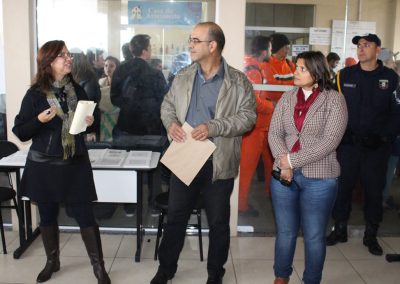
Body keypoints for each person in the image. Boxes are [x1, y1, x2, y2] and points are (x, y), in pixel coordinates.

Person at [150, 22, 256, 284]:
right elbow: (167, 106)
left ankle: (214, 274)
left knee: (219, 223)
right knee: (175, 218)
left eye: (196, 40)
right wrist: (171, 124)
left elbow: (248, 118)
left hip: (218, 163)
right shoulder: (183, 75)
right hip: (185, 158)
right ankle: (165, 271)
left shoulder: (238, 81)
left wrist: (214, 127)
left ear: (213, 45)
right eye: (190, 40)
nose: (190, 45)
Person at [12, 40, 111, 284]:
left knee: (86, 216)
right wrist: (39, 120)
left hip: (74, 162)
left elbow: (93, 118)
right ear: (48, 63)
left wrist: (90, 122)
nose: (69, 58)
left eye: (68, 54)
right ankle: (52, 262)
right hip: (44, 165)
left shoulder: (77, 90)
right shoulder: (34, 95)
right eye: (62, 56)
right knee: (47, 215)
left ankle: (99, 268)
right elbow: (21, 132)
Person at [268, 51, 348, 284]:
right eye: (296, 67)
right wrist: (284, 162)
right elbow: (275, 133)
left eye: (302, 68)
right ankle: (281, 276)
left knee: (313, 236)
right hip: (283, 176)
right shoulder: (287, 98)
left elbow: (330, 141)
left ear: (317, 71)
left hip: (320, 178)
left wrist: (291, 161)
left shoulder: (334, 100)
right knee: (285, 232)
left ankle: (311, 280)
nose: (296, 72)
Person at [326, 33, 400, 256]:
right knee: (342, 189)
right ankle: (339, 229)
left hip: (376, 148)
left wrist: (384, 137)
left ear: (378, 49)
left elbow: (397, 112)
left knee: (373, 191)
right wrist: (339, 134)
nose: (361, 49)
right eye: (359, 45)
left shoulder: (392, 79)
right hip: (348, 146)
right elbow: (331, 107)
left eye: (367, 45)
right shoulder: (343, 76)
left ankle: (371, 234)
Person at [111, 34, 169, 215]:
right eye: (150, 47)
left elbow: (114, 98)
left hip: (126, 126)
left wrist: (129, 106)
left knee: (128, 167)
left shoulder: (120, 70)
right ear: (145, 51)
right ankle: (154, 205)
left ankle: (130, 206)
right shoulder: (155, 73)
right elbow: (164, 101)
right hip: (150, 128)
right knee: (153, 169)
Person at [239, 35, 274, 216]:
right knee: (246, 171)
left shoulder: (249, 65)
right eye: (269, 48)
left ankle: (243, 202)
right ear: (263, 51)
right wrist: (270, 106)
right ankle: (241, 206)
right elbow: (252, 101)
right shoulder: (253, 70)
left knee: (250, 169)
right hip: (253, 129)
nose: (270, 52)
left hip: (256, 127)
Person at [71, 52, 101, 141]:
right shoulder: (83, 77)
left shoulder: (87, 78)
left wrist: (90, 131)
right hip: (85, 123)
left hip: (87, 124)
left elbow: (88, 104)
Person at [262, 33, 296, 104]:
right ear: (278, 48)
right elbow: (272, 90)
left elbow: (297, 84)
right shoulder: (266, 65)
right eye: (286, 47)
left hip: (289, 106)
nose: (288, 50)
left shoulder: (290, 64)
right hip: (272, 109)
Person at [98, 56, 120, 142]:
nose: (108, 68)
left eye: (111, 66)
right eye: (106, 65)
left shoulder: (121, 83)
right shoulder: (100, 82)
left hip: (117, 118)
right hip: (103, 118)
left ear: (117, 68)